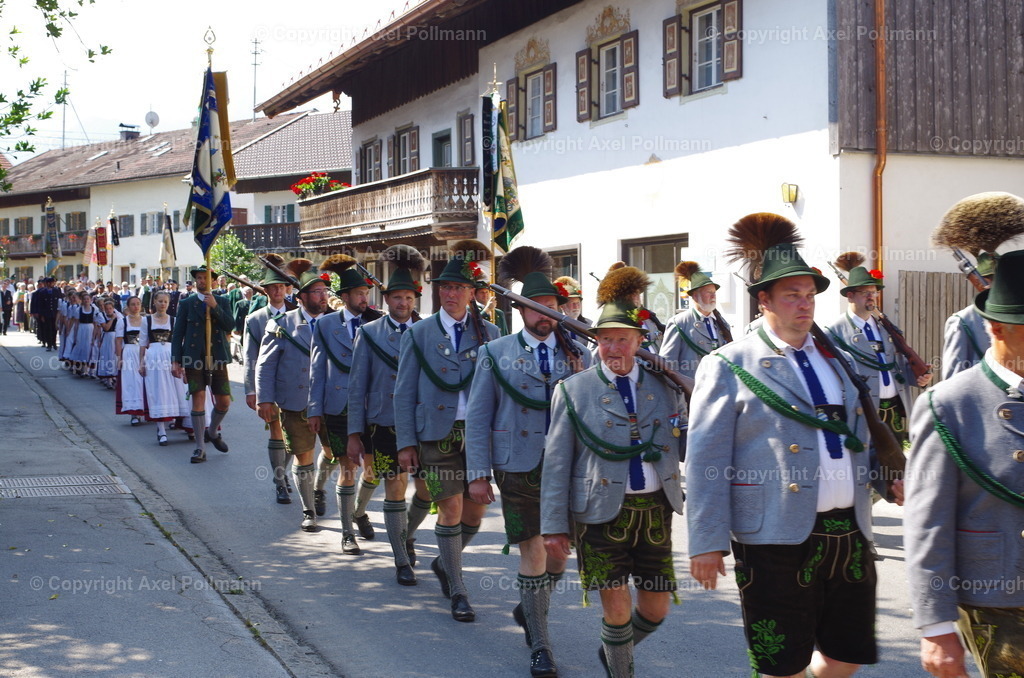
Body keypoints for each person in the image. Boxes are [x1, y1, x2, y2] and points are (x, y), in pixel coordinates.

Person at [687, 213, 890, 678]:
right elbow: (705, 460)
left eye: (809, 295)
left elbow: (856, 434)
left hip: (849, 530)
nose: (804, 305)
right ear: (764, 301)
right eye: (791, 295)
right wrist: (706, 542)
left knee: (848, 654)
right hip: (774, 537)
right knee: (782, 664)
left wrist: (888, 474)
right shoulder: (729, 363)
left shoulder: (834, 359)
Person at [540, 264, 685, 678]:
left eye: (623, 338)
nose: (614, 348)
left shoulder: (666, 384)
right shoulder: (572, 390)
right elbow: (556, 463)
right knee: (616, 604)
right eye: (606, 340)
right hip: (601, 512)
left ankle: (613, 649)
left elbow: (689, 435)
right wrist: (554, 526)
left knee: (655, 609)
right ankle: (622, 668)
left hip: (656, 509)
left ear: (640, 341)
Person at [467, 246, 592, 677]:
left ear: (560, 310)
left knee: (560, 551)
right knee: (535, 551)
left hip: (567, 466)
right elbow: (479, 418)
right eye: (537, 306)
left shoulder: (578, 354)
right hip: (517, 466)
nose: (545, 313)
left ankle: (530, 606)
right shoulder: (495, 352)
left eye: (553, 306)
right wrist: (478, 473)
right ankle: (541, 644)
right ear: (521, 310)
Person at [904, 250, 1024, 678]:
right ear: (995, 328)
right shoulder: (950, 405)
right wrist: (935, 626)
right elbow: (927, 521)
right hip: (998, 593)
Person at [395, 239, 500, 623]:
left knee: (476, 513)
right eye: (445, 287)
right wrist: (406, 442)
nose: (451, 294)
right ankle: (458, 589)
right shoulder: (418, 335)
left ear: (473, 293)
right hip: (435, 436)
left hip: (477, 435)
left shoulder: (489, 332)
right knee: (451, 508)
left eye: (459, 288)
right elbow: (403, 393)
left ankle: (445, 563)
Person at [306, 255, 380, 549]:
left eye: (367, 293)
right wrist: (314, 409)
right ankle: (347, 531)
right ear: (345, 296)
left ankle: (360, 512)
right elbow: (316, 368)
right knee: (347, 469)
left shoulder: (378, 321)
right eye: (359, 294)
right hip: (337, 406)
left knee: (374, 470)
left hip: (371, 408)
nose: (364, 298)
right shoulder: (325, 325)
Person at [257, 259, 334, 532]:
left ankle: (319, 488)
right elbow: (265, 365)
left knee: (332, 453)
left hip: (330, 403)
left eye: (326, 291)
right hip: (295, 401)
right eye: (317, 292)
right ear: (301, 297)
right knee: (303, 456)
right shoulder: (281, 324)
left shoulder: (335, 323)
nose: (323, 297)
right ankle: (308, 511)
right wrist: (264, 399)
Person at [826, 252, 932, 447]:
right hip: (863, 411)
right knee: (869, 465)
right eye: (865, 293)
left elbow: (895, 365)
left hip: (894, 406)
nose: (871, 297)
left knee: (896, 466)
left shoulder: (884, 326)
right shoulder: (835, 331)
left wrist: (917, 377)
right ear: (850, 296)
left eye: (874, 292)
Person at [243, 255, 295, 504]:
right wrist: (251, 390)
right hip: (268, 385)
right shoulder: (254, 320)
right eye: (272, 287)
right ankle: (279, 482)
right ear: (265, 291)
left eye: (281, 287)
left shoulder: (299, 314)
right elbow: (250, 357)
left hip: (296, 384)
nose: (277, 291)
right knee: (276, 430)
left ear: (287, 289)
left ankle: (284, 474)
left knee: (294, 434)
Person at [170, 266, 234, 463]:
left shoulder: (222, 300)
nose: (201, 281)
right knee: (197, 399)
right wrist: (176, 360)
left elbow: (230, 325)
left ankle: (213, 432)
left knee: (224, 401)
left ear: (214, 281)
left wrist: (215, 306)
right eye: (198, 278)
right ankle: (199, 448)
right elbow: (178, 333)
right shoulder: (187, 303)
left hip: (217, 358)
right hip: (193, 358)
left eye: (205, 278)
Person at [659, 260, 731, 380]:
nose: (713, 296)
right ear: (695, 296)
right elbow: (667, 364)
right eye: (708, 293)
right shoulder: (679, 323)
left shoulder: (722, 324)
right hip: (692, 391)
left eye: (714, 293)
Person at [142, 291, 191, 446]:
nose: (163, 304)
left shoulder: (174, 320)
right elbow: (143, 344)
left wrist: (181, 363)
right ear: (154, 302)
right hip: (154, 359)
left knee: (178, 391)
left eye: (165, 302)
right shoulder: (147, 321)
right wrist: (141, 363)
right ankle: (161, 429)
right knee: (159, 392)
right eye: (160, 301)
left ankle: (183, 424)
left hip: (171, 357)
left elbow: (180, 343)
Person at [115, 296, 147, 426]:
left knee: (144, 381)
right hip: (129, 352)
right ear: (128, 307)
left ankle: (145, 410)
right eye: (133, 304)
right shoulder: (123, 322)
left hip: (143, 353)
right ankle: (134, 413)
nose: (136, 307)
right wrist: (119, 358)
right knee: (132, 382)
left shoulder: (146, 320)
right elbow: (118, 341)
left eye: (138, 304)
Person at [66, 291, 99, 376]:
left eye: (88, 299)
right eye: (84, 299)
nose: (86, 300)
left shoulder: (94, 310)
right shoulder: (79, 310)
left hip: (90, 329)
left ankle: (87, 369)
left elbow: (95, 324)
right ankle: (80, 367)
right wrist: (76, 334)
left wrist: (94, 335)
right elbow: (76, 323)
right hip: (82, 329)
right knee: (81, 346)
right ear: (82, 300)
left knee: (88, 348)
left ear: (90, 300)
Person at [96, 297, 120, 389]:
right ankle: (108, 379)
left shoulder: (117, 314)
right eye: (107, 309)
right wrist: (112, 319)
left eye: (110, 308)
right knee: (107, 356)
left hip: (116, 337)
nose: (109, 310)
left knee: (115, 357)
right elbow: (106, 328)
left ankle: (114, 377)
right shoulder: (101, 315)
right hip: (107, 337)